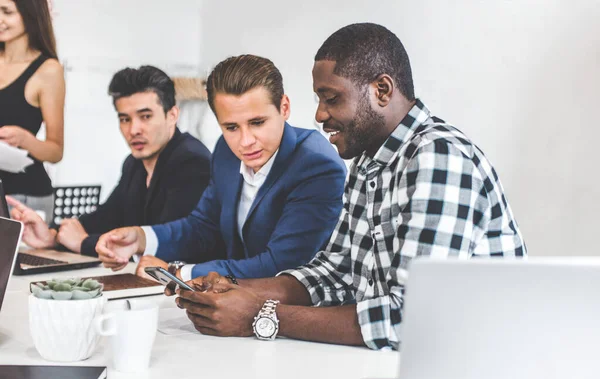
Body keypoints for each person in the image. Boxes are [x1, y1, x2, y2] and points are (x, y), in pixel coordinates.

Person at [165, 23, 527, 350]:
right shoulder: (369, 162)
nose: (320, 114)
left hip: (474, 368)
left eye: (331, 98)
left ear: (382, 90)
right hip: (406, 364)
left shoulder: (439, 157)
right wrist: (235, 290)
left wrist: (259, 314)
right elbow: (335, 272)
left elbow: (412, 320)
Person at [95, 54, 347, 281]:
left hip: (295, 315)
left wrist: (179, 273)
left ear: (284, 107)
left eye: (257, 122)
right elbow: (203, 226)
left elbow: (281, 265)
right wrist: (141, 239)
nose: (245, 141)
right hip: (232, 307)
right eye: (231, 127)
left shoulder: (317, 166)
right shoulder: (226, 152)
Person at [8, 65, 212, 257]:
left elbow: (169, 243)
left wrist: (84, 243)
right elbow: (107, 216)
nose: (134, 130)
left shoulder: (191, 161)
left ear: (172, 115)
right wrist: (52, 235)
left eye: (146, 116)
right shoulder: (134, 163)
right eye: (125, 119)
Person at [0, 0, 65, 220]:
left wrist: (24, 139)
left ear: (30, 14)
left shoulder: (48, 70)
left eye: (6, 12)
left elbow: (56, 151)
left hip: (24, 198)